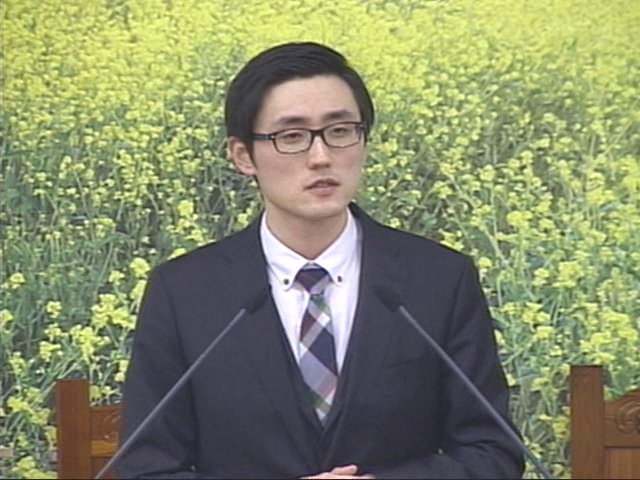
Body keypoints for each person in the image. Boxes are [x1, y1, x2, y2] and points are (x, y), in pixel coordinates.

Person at [119, 42, 524, 479]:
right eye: (292, 137)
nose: (321, 157)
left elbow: (492, 453)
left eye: (340, 130)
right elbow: (147, 469)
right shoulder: (184, 292)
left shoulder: (439, 280)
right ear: (242, 156)